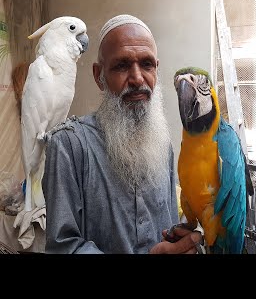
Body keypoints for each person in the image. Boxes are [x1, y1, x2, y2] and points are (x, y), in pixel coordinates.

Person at [42, 14, 203, 254]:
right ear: (99, 76)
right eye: (122, 66)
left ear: (156, 70)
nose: (138, 78)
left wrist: (183, 244)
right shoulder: (69, 145)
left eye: (147, 64)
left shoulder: (163, 145)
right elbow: (62, 247)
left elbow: (168, 226)